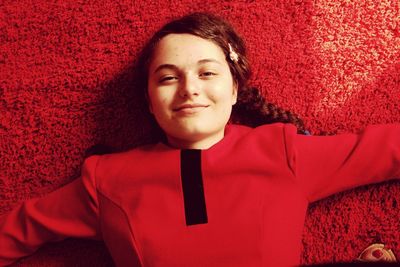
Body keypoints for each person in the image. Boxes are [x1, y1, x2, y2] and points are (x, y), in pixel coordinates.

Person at [0, 12, 399, 267]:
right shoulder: (105, 179)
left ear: (236, 90)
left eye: (207, 73)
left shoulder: (283, 150)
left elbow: (386, 150)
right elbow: (17, 230)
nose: (189, 89)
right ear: (149, 101)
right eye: (169, 77)